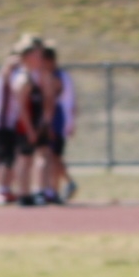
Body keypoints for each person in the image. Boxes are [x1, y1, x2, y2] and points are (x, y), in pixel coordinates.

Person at [0, 34, 49, 205]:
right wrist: (29, 128)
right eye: (35, 53)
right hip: (4, 120)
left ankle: (14, 190)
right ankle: (1, 190)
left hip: (10, 120)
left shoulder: (25, 72)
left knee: (14, 157)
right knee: (6, 157)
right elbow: (17, 98)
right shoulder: (15, 70)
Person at [39, 43, 76, 203]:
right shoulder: (62, 75)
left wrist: (47, 122)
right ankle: (55, 188)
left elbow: (53, 100)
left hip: (57, 120)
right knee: (53, 156)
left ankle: (57, 188)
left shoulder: (56, 77)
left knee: (53, 156)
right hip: (61, 119)